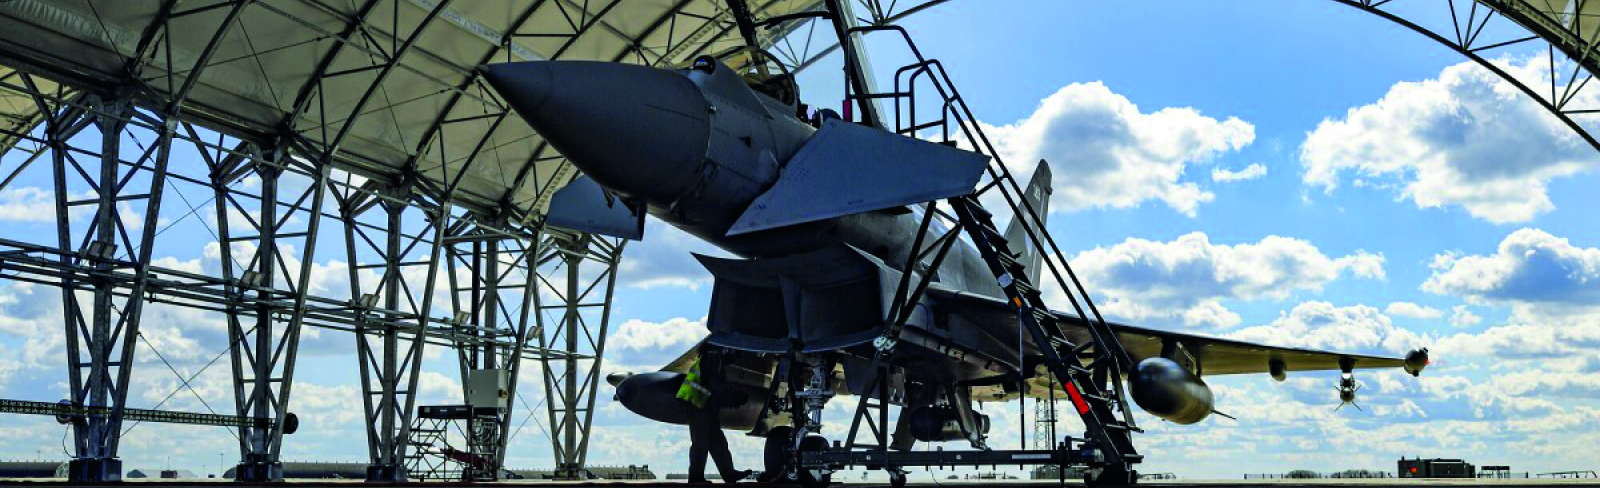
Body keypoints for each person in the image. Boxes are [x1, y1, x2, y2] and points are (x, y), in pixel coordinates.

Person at [679, 347, 753, 484]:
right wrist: (733, 397)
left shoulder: (717, 360)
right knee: (701, 443)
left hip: (706, 407)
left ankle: (729, 474)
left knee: (718, 443)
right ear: (727, 350)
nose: (735, 358)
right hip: (698, 406)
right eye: (735, 354)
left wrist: (730, 398)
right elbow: (715, 386)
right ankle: (695, 478)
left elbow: (715, 389)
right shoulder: (712, 357)